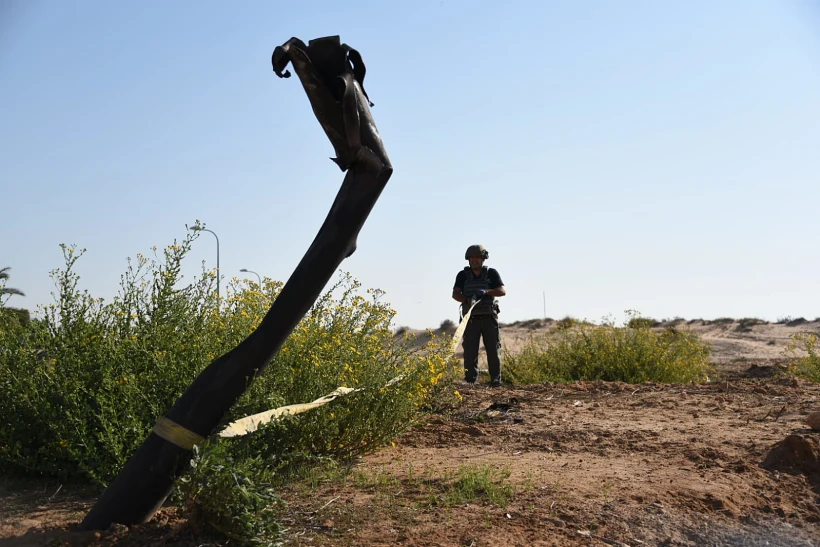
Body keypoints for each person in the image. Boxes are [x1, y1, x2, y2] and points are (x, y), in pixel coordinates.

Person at [452, 244, 506, 386]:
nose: (475, 260)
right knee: (470, 352)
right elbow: (455, 294)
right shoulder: (463, 275)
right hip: (470, 319)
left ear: (483, 259)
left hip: (489, 317)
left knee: (493, 350)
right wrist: (467, 300)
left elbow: (502, 291)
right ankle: (471, 381)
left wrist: (486, 292)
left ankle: (496, 381)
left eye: (477, 257)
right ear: (468, 259)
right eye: (472, 258)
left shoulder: (491, 273)